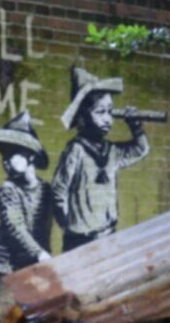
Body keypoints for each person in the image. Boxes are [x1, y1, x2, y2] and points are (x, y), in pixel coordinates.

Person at [52, 65, 150, 252]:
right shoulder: (76, 150)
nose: (107, 119)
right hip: (80, 241)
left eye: (110, 112)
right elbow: (59, 191)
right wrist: (71, 226)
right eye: (100, 112)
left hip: (108, 236)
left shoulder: (111, 151)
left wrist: (136, 127)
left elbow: (140, 149)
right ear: (83, 116)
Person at [0, 111, 54, 287]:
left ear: (30, 155)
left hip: (29, 263)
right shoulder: (8, 190)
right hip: (5, 266)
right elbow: (16, 228)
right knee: (3, 311)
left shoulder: (45, 189)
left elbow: (44, 229)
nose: (5, 161)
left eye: (12, 153)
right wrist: (40, 254)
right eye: (4, 155)